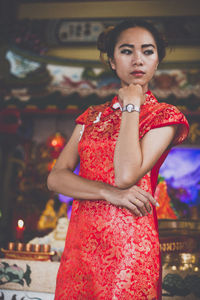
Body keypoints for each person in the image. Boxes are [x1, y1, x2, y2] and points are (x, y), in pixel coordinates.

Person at [47, 19, 189, 300]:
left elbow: (126, 175)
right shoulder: (91, 116)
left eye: (148, 51)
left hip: (129, 248)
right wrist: (107, 192)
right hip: (82, 246)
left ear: (157, 60)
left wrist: (132, 106)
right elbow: (56, 177)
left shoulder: (165, 116)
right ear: (112, 60)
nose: (138, 59)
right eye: (126, 51)